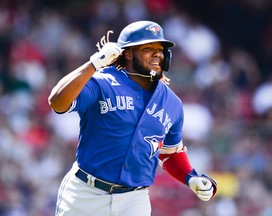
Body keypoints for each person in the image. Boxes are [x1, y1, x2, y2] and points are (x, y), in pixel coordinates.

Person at [48, 20, 218, 216]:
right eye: (148, 48)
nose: (157, 54)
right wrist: (93, 64)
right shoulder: (102, 82)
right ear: (127, 53)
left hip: (134, 201)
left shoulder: (172, 103)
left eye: (161, 49)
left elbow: (170, 153)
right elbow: (58, 102)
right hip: (86, 193)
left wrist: (190, 177)